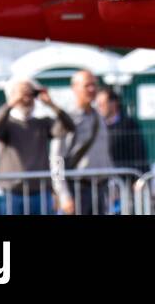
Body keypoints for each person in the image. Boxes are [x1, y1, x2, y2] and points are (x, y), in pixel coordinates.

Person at [0, 78, 73, 215]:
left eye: (30, 93)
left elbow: (68, 127)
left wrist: (51, 104)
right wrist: (11, 103)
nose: (26, 98)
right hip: (11, 192)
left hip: (39, 191)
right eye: (22, 93)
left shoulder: (42, 123)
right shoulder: (8, 124)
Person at [53, 70, 113, 214]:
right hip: (78, 189)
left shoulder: (99, 117)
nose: (92, 89)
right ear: (75, 88)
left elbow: (105, 152)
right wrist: (63, 194)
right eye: (87, 85)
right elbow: (56, 158)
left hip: (101, 188)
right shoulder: (67, 118)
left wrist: (112, 184)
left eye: (94, 85)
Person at [96, 88, 148, 174]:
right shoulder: (96, 126)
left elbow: (139, 153)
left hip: (125, 176)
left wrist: (139, 176)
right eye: (98, 104)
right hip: (102, 178)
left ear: (113, 104)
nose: (99, 108)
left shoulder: (128, 125)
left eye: (102, 104)